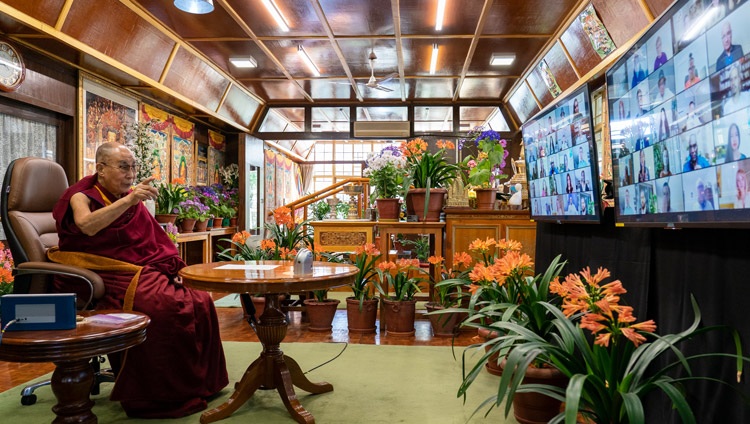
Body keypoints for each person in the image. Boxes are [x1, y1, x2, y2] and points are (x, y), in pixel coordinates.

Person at [50, 142, 228, 418]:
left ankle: (201, 383)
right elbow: (87, 225)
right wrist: (130, 200)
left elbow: (150, 241)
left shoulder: (126, 197)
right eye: (123, 167)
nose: (130, 173)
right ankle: (155, 395)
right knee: (164, 307)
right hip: (97, 271)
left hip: (134, 268)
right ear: (100, 169)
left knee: (199, 298)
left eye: (133, 167)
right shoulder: (81, 195)